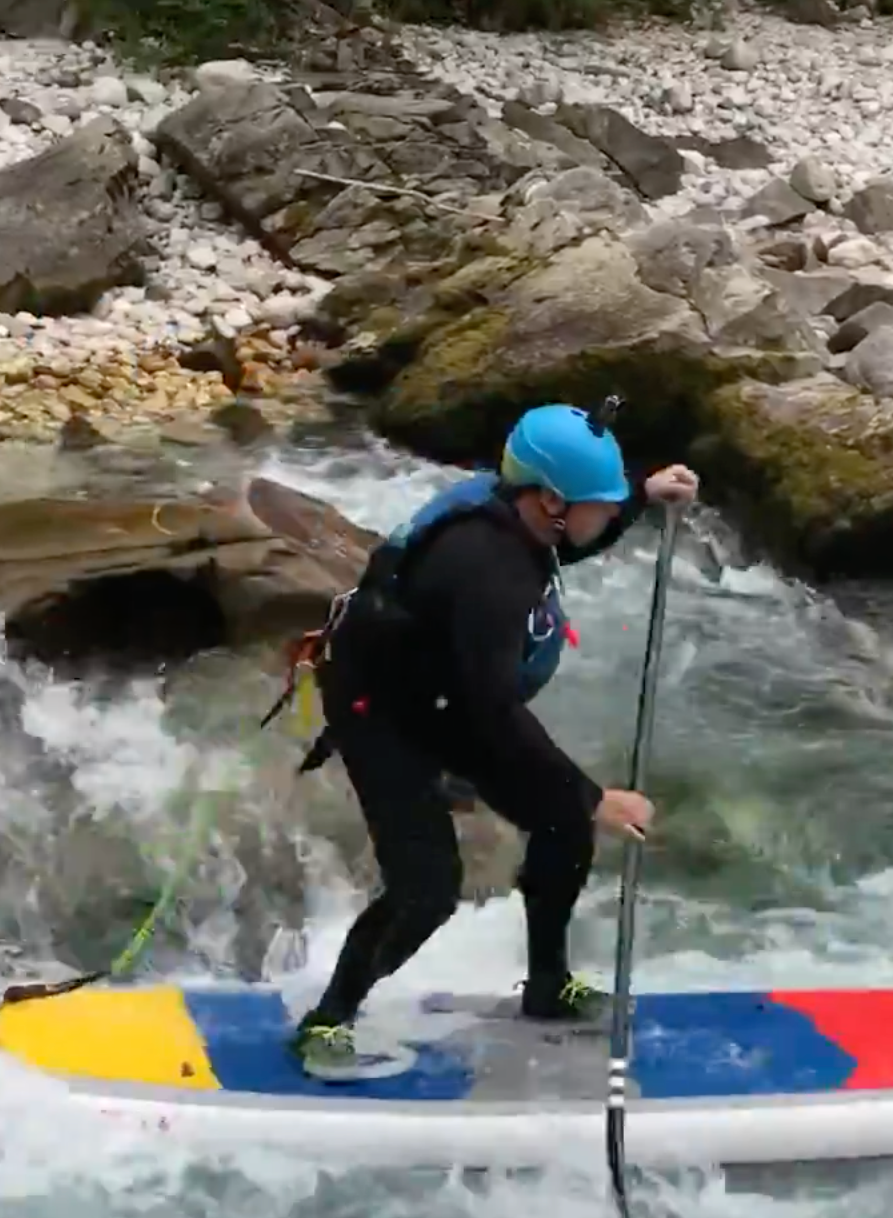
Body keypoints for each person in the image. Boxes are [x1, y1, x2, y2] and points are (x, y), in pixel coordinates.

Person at [286, 400, 700, 1082]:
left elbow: (582, 530)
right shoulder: (488, 570)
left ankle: (547, 986)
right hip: (385, 714)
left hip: (448, 697)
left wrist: (643, 494)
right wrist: (595, 796)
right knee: (428, 888)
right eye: (604, 502)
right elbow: (495, 714)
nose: (608, 513)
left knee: (563, 824)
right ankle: (327, 1019)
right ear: (551, 501)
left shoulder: (521, 511)